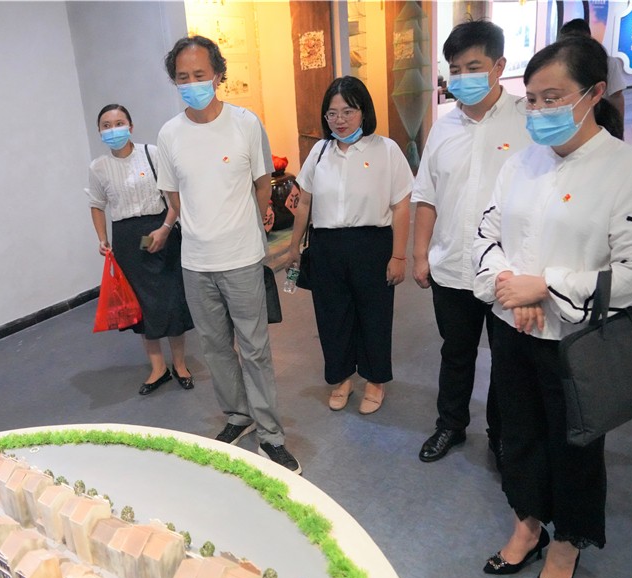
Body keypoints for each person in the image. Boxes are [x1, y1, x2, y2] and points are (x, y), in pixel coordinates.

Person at [473, 37, 632, 578]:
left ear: (594, 93)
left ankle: (568, 541)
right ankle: (528, 523)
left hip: (576, 342)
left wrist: (547, 286)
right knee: (519, 434)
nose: (538, 111)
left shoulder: (627, 168)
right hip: (512, 328)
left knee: (574, 445)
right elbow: (486, 235)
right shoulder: (519, 163)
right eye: (531, 99)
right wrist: (512, 286)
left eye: (552, 98)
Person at [157, 35, 300, 474]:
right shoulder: (169, 134)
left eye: (199, 74)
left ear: (218, 75)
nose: (192, 83)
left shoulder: (244, 123)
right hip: (196, 263)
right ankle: (238, 416)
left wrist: (252, 222)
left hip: (241, 258)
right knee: (216, 348)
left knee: (255, 350)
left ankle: (271, 435)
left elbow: (262, 183)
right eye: (183, 77)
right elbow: (173, 196)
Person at [412, 20, 532, 466]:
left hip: (507, 270)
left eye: (474, 67)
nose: (463, 77)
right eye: (456, 69)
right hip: (451, 264)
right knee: (456, 352)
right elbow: (426, 196)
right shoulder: (443, 128)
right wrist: (420, 255)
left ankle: (502, 435)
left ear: (499, 66)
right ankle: (451, 425)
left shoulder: (528, 121)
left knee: (507, 360)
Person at [289, 76, 413, 415]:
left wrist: (399, 255)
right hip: (326, 246)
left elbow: (402, 206)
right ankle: (341, 378)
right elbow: (304, 202)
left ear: (364, 111)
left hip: (372, 244)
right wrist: (293, 247)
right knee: (332, 316)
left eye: (348, 111)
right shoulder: (320, 152)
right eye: (332, 113)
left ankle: (375, 380)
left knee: (374, 315)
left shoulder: (386, 149)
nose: (339, 120)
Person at [88, 104, 194, 395]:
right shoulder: (98, 167)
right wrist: (102, 238)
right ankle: (158, 368)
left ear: (131, 126)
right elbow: (96, 204)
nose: (113, 129)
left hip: (160, 229)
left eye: (119, 123)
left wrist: (166, 228)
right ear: (99, 131)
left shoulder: (153, 154)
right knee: (143, 305)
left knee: (171, 300)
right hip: (127, 238)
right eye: (106, 125)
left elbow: (174, 198)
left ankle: (180, 365)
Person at [558, 18, 626, 135]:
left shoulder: (608, 62)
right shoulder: (559, 64)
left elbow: (616, 96)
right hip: (567, 119)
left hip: (600, 119)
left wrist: (618, 128)